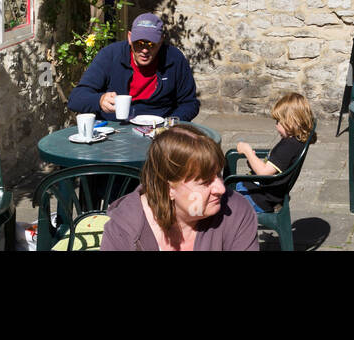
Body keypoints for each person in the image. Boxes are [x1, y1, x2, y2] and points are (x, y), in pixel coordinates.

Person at [101, 125, 258, 251]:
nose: (221, 189)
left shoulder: (235, 211)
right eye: (204, 182)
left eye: (218, 175)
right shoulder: (125, 229)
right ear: (168, 188)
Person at [68, 13, 200, 120]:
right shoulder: (110, 55)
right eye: (139, 43)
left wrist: (170, 123)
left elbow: (190, 103)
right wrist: (99, 100)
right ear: (130, 38)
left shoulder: (174, 59)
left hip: (159, 132)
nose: (144, 50)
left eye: (151, 44)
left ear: (161, 41)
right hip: (113, 130)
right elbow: (76, 98)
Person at [232, 92, 316, 214]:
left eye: (278, 121)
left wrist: (248, 151)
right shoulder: (294, 142)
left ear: (291, 122)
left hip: (257, 198)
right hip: (257, 191)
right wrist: (254, 160)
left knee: (217, 199)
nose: (276, 126)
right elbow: (270, 168)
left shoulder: (288, 146)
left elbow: (264, 172)